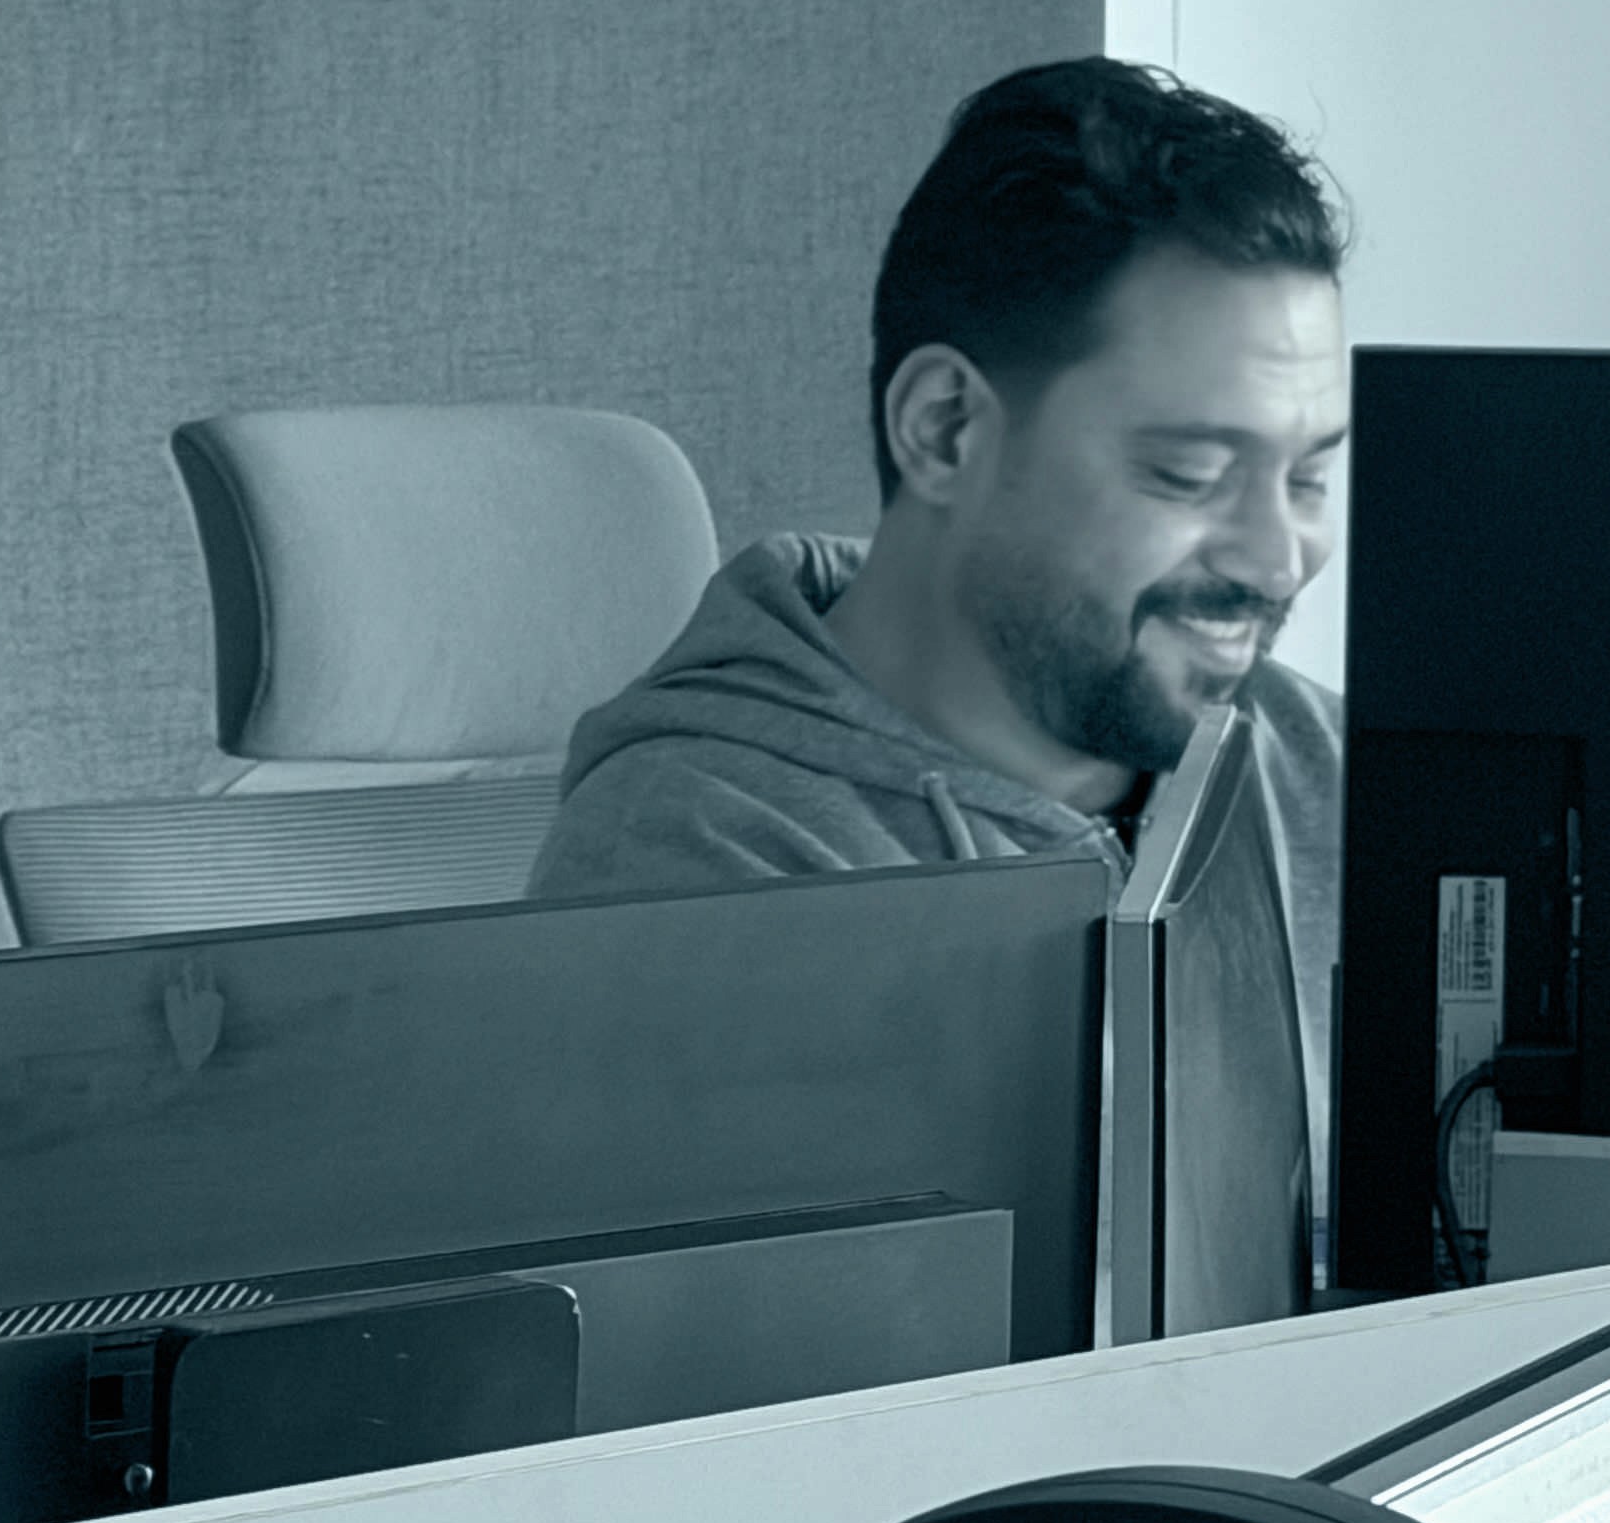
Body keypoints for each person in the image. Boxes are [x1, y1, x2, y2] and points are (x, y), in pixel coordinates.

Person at [526, 52, 1350, 993]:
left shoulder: (1335, 779)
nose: (1280, 558)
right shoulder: (692, 875)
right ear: (947, 430)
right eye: (1190, 474)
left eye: (1309, 476)